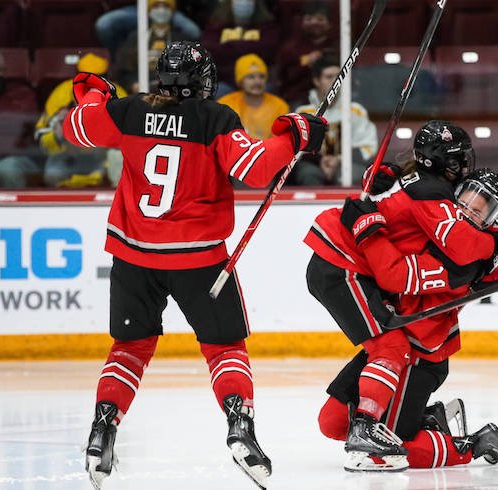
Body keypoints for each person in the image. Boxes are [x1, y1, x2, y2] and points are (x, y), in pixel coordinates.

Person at [60, 41, 326, 489]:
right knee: (224, 349)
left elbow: (76, 128)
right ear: (202, 79)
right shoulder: (215, 118)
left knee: (129, 348)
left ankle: (102, 428)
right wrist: (295, 135)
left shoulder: (128, 111)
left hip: (133, 256)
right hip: (199, 259)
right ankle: (240, 425)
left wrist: (93, 92)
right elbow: (258, 168)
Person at [304, 121, 498, 471]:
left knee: (366, 424)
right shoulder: (435, 205)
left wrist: (367, 222)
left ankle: (471, 443)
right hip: (346, 269)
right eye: (466, 199)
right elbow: (401, 262)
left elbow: (400, 270)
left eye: (482, 209)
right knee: (345, 410)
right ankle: (397, 423)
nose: (468, 211)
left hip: (421, 355)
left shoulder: (457, 256)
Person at [35, 52, 128, 188]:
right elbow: (41, 136)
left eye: (98, 79)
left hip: (103, 157)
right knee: (53, 173)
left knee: (119, 170)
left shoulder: (119, 95)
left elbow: (129, 138)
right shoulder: (60, 94)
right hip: (68, 155)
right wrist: (56, 135)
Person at [291, 51, 377, 185]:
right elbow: (296, 151)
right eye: (329, 76)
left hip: (346, 166)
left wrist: (340, 160)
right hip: (314, 166)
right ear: (316, 81)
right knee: (308, 174)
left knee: (350, 174)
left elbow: (368, 147)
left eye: (338, 77)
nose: (335, 81)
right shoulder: (303, 113)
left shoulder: (355, 110)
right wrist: (320, 160)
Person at [114, 0, 199, 94]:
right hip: (141, 88)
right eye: (156, 6)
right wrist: (133, 83)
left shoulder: (182, 39)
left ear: (172, 11)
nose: (161, 10)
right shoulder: (136, 37)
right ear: (149, 10)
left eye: (165, 6)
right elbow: (124, 69)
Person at [0, 46, 40, 188]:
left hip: (17, 158)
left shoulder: (22, 94)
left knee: (7, 168)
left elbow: (19, 124)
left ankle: (21, 210)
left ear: (5, 71)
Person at [202, 0, 279, 97]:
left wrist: (230, 45)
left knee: (270, 90)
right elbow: (210, 48)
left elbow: (269, 47)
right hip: (226, 79)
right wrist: (248, 47)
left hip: (258, 79)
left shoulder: (266, 24)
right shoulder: (216, 23)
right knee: (217, 91)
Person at [95, 0, 201, 62]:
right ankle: (118, 60)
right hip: (139, 8)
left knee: (193, 31)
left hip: (167, 7)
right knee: (104, 24)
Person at [276, 0, 336, 107]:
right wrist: (305, 64)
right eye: (309, 19)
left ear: (330, 23)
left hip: (335, 97)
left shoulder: (338, 46)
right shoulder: (290, 48)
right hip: (298, 99)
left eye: (320, 19)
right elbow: (283, 79)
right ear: (301, 22)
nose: (314, 23)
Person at [218, 53, 289, 139]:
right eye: (251, 77)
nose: (257, 82)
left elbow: (279, 142)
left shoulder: (280, 106)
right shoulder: (225, 104)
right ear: (240, 82)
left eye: (262, 77)